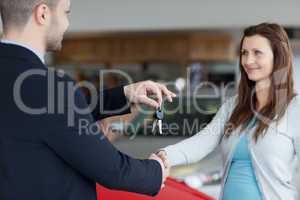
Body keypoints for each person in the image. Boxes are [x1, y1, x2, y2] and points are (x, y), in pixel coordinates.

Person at [0, 0, 176, 200]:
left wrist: (125, 94)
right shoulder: (51, 87)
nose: (67, 24)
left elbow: (49, 117)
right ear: (43, 14)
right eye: (66, 13)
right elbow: (111, 169)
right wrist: (156, 170)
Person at [156, 23, 300, 200]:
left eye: (257, 53)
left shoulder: (294, 108)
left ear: (277, 57)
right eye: (244, 53)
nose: (247, 60)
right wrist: (165, 156)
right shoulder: (234, 106)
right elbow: (202, 141)